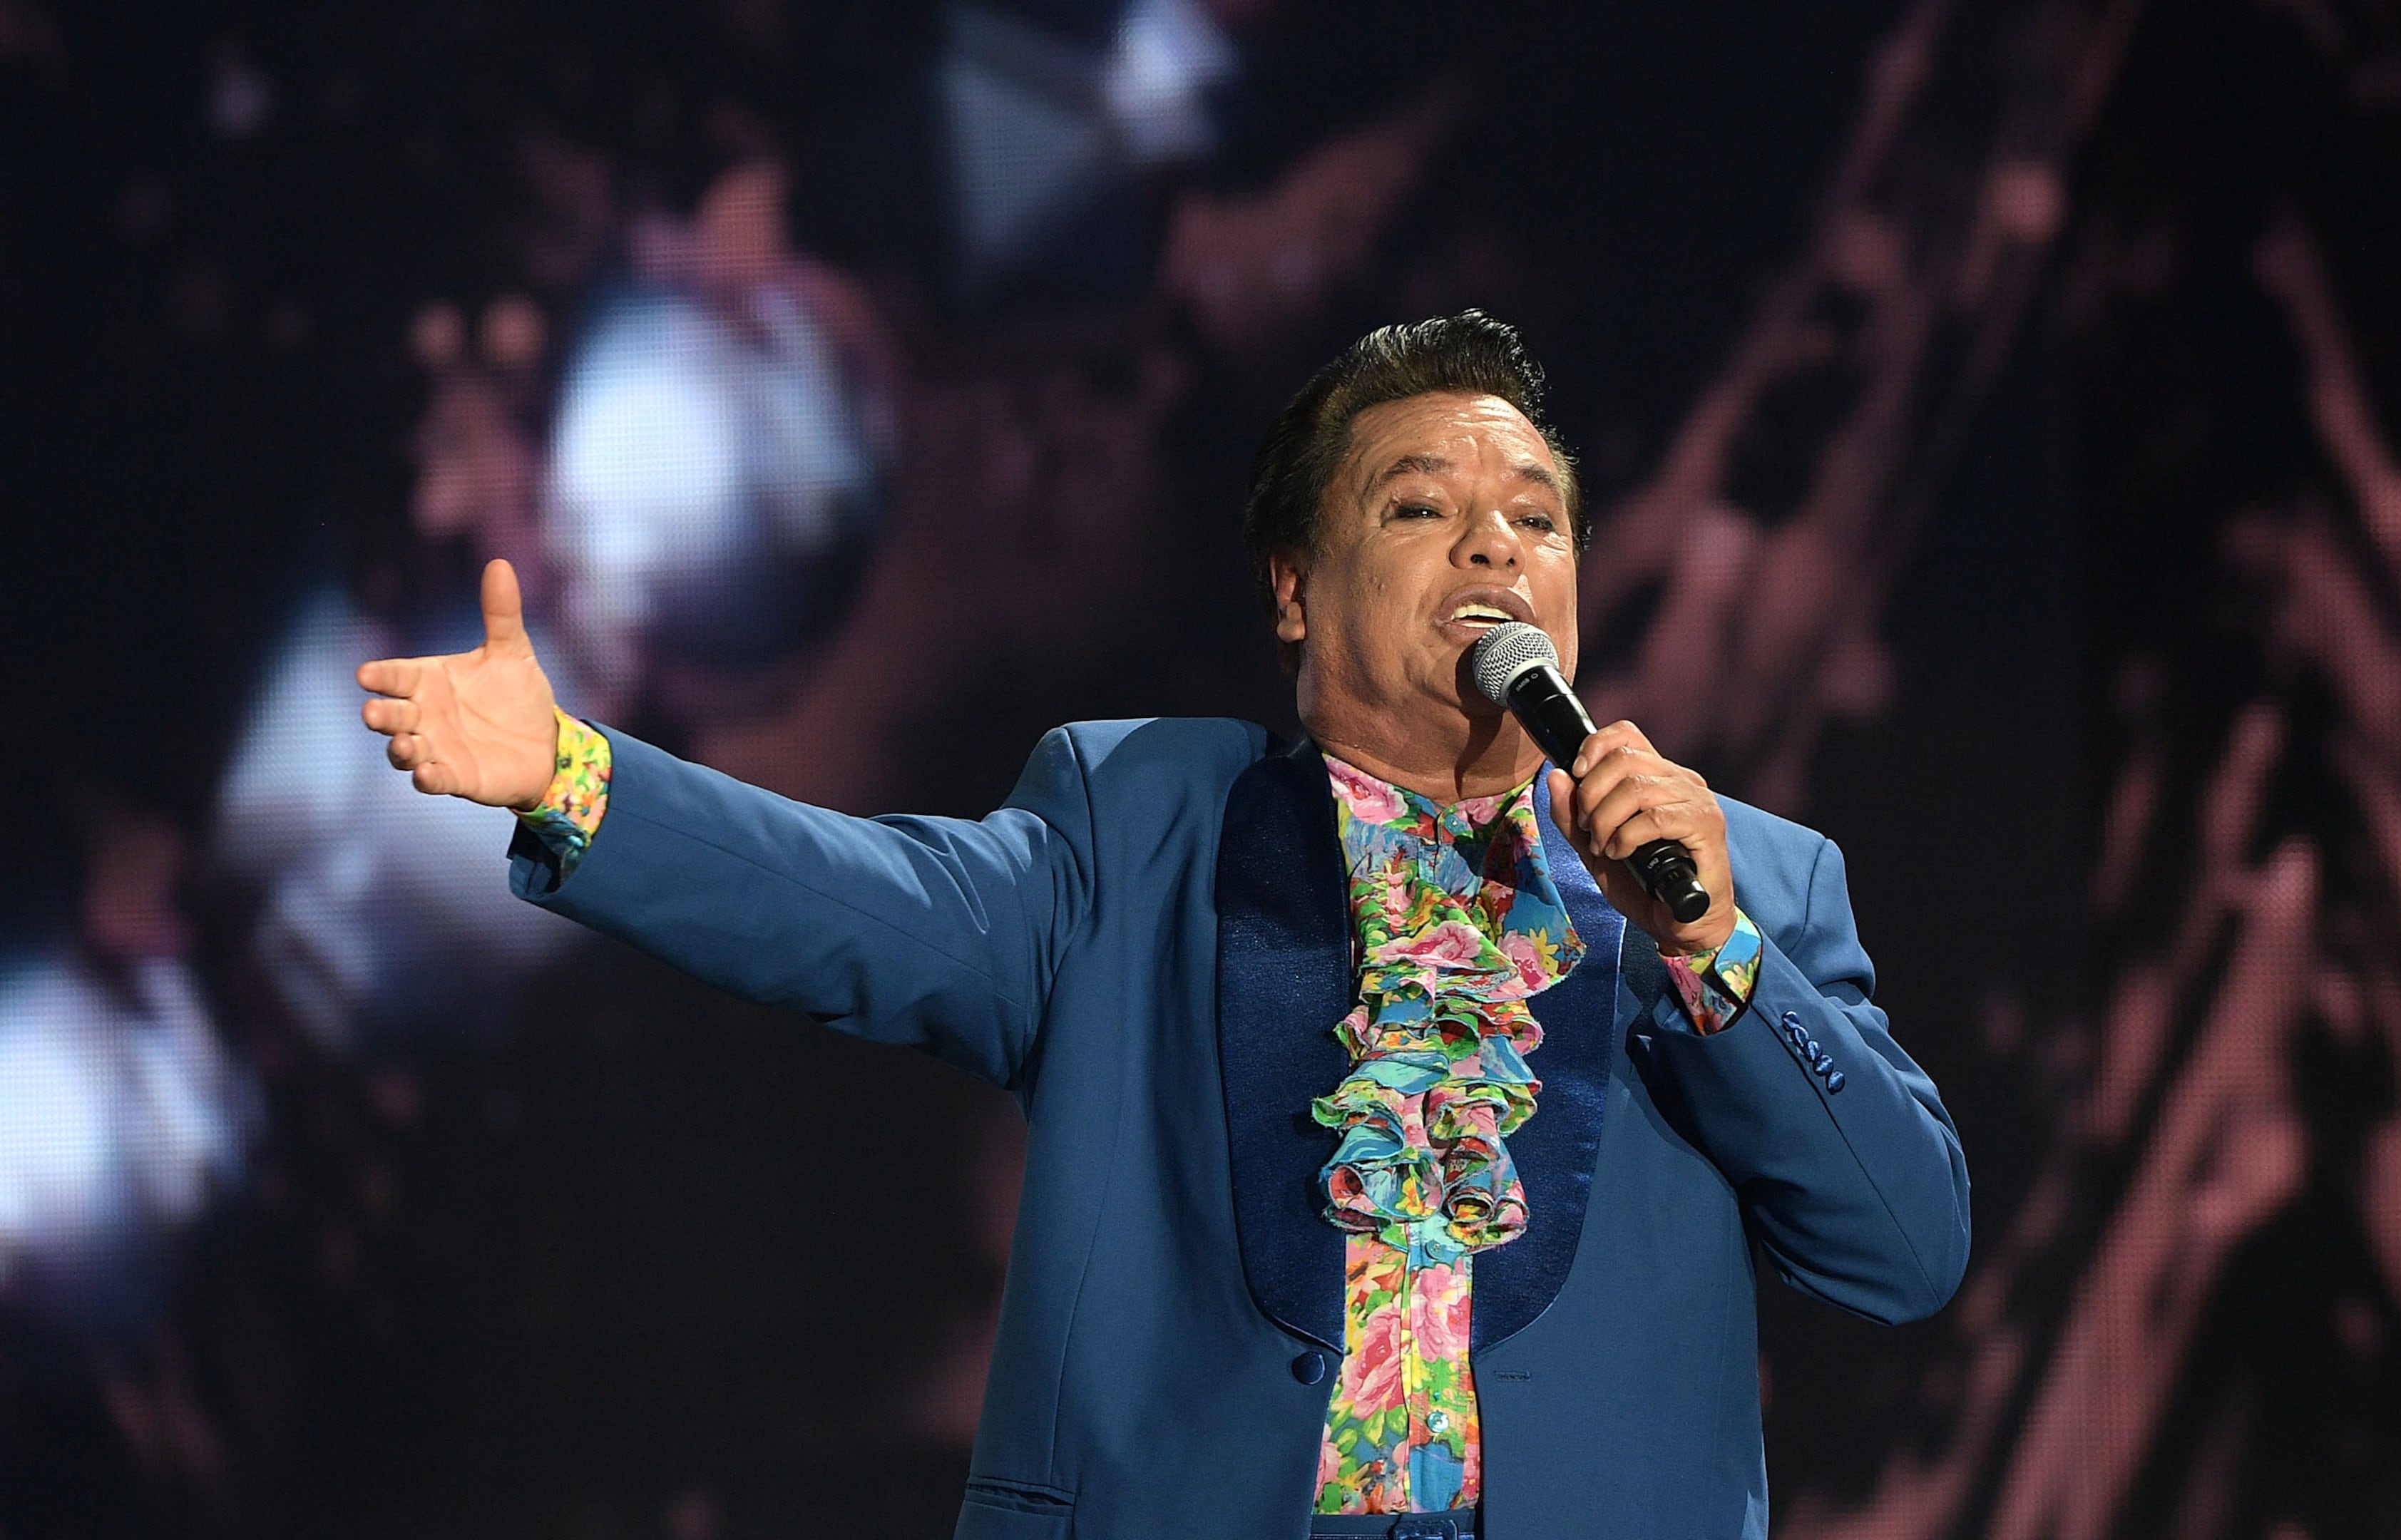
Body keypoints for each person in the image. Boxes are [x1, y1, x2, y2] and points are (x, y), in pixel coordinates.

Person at [357, 311, 1969, 1540]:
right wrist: (574, 777)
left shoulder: (1745, 877)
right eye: (1422, 507)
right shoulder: (1135, 825)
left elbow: (1902, 1251)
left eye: (1536, 518)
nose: (1495, 543)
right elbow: (860, 907)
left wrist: (1717, 956)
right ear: (1293, 584)